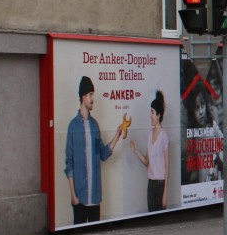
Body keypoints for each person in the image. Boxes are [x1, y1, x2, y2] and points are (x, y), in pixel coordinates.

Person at [65, 75, 123, 224]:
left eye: (93, 95)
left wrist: (116, 137)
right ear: (83, 96)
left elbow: (102, 154)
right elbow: (69, 163)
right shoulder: (73, 126)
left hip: (95, 198)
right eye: (90, 95)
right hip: (79, 198)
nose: (93, 99)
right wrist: (73, 195)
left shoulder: (95, 125)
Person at [130, 90, 169, 212]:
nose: (150, 116)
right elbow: (147, 162)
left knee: (160, 219)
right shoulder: (150, 134)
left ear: (158, 115)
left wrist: (165, 194)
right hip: (150, 184)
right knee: (151, 218)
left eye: (152, 112)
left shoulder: (164, 136)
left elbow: (167, 167)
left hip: (160, 185)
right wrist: (135, 150)